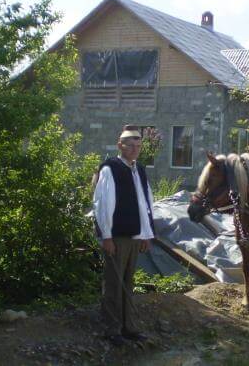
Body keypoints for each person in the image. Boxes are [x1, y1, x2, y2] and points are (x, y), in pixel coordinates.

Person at [93, 124, 155, 347]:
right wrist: (106, 236)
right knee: (114, 282)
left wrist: (146, 234)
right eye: (131, 146)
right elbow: (103, 204)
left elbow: (145, 202)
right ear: (120, 145)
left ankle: (129, 327)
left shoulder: (139, 169)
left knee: (128, 282)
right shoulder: (111, 169)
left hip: (134, 236)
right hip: (117, 236)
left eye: (138, 146)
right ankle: (111, 329)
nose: (135, 149)